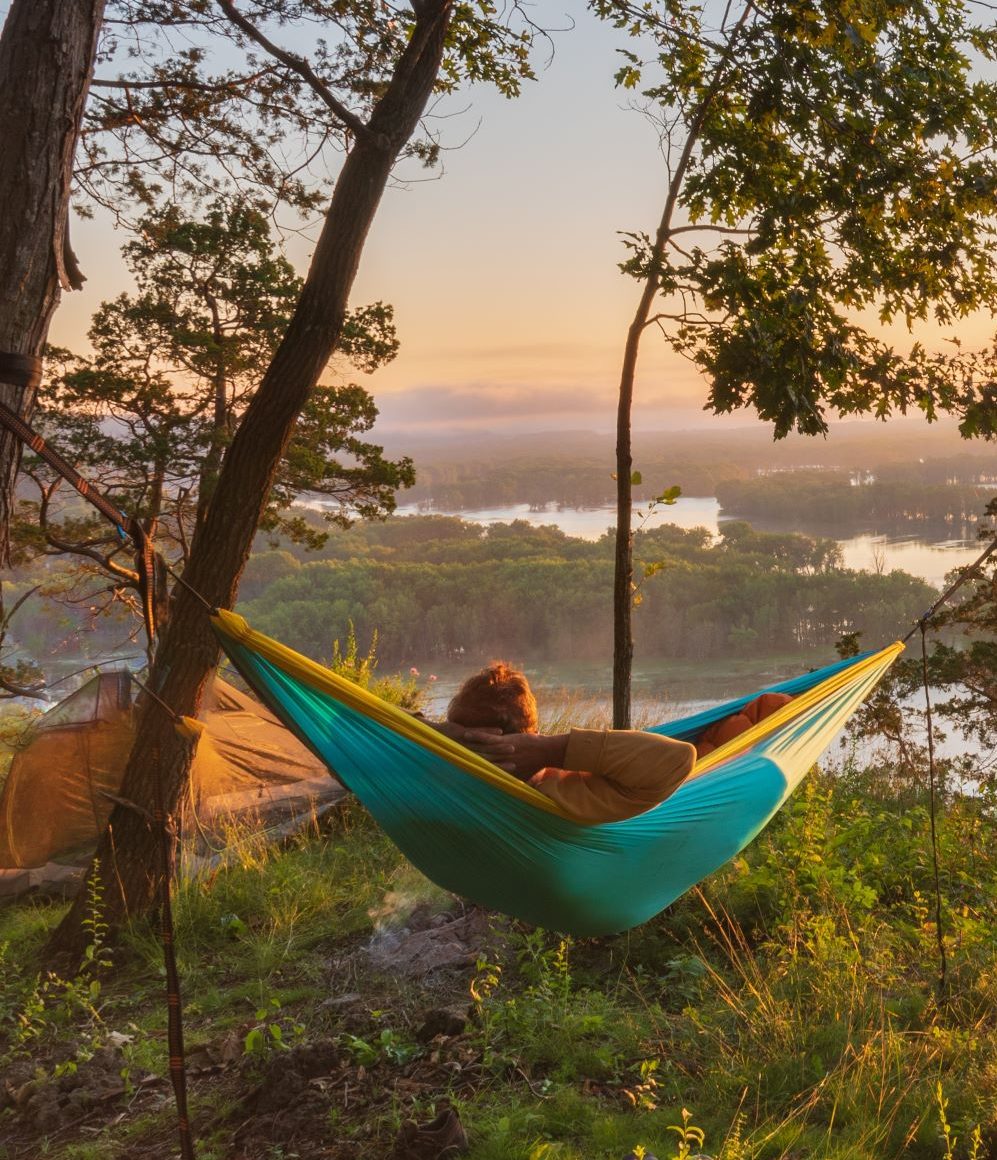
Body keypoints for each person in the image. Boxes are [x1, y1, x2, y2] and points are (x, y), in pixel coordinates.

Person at [437, 662, 793, 824]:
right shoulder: (461, 777)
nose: (470, 753)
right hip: (666, 784)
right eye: (465, 743)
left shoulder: (559, 791)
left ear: (522, 740)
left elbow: (679, 757)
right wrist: (444, 735)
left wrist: (547, 750)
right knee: (762, 714)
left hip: (687, 784)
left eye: (479, 743)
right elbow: (394, 732)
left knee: (767, 713)